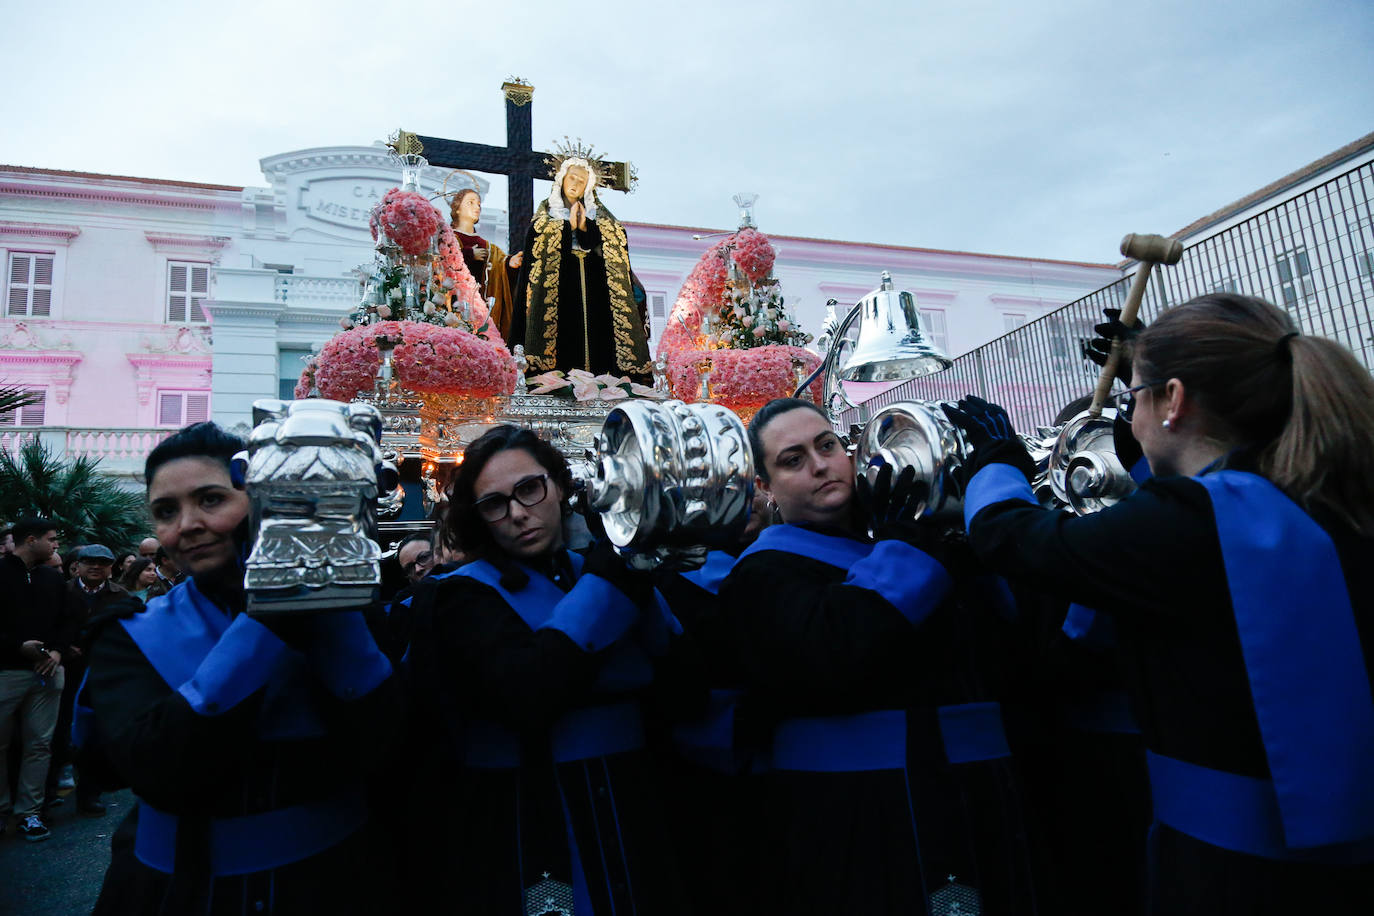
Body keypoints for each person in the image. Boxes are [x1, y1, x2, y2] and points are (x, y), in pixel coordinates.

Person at [946, 292, 1374, 914]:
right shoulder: (1325, 488)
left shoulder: (1191, 521)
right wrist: (1152, 396)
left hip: (1230, 871)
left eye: (1133, 399)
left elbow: (1010, 538)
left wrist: (995, 461)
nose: (1129, 415)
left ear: (1174, 400)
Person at [712, 398, 1039, 914]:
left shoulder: (907, 535)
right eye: (792, 460)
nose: (821, 465)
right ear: (765, 486)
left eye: (827, 445)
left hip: (976, 793)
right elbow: (838, 654)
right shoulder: (759, 575)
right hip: (854, 812)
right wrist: (906, 543)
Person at [83, 422, 402, 915]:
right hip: (178, 893)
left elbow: (395, 750)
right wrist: (269, 612)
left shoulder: (352, 609)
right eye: (165, 512)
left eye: (210, 500)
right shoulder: (127, 633)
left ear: (261, 500)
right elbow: (150, 769)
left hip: (334, 883)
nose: (186, 524)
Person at [406, 424, 691, 914]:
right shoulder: (457, 596)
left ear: (559, 486)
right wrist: (617, 576)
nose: (518, 513)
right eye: (495, 504)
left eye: (529, 489)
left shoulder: (603, 568)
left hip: (633, 804)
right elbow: (525, 692)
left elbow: (684, 684)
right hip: (524, 817)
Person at [515, 157, 653, 380]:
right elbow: (536, 246)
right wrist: (566, 227)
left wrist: (585, 228)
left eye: (582, 180)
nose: (576, 184)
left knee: (601, 342)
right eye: (572, 177)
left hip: (595, 293)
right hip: (561, 293)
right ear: (561, 179)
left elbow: (615, 243)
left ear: (588, 186)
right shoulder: (544, 220)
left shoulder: (602, 220)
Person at [0, 517, 78, 842]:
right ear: (30, 540)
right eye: (51, 538)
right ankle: (2, 812)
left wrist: (58, 652)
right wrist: (17, 646)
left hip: (48, 673)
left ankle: (30, 814)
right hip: (5, 671)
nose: (56, 544)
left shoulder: (52, 578)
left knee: (40, 745)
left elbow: (71, 619)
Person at [449, 188, 521, 344]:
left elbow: (499, 262)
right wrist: (468, 254)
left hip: (483, 308)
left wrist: (509, 263)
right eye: (471, 203)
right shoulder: (449, 238)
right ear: (457, 208)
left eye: (479, 204)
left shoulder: (487, 245)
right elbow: (443, 264)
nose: (477, 207)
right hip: (456, 305)